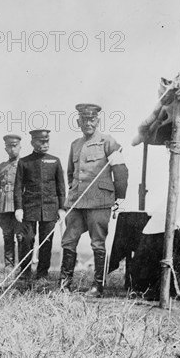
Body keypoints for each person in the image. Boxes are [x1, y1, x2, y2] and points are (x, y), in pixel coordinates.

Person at [59, 104, 128, 297]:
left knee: (97, 243)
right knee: (68, 241)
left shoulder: (108, 141)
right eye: (84, 119)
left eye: (92, 119)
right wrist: (72, 194)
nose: (88, 123)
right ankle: (65, 284)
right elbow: (71, 174)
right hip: (77, 202)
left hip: (99, 201)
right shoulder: (75, 145)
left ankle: (98, 286)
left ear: (97, 121)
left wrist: (119, 197)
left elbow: (121, 170)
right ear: (78, 121)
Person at [14, 130, 66, 282]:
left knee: (46, 241)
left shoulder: (55, 161)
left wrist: (62, 207)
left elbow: (61, 187)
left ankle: (42, 273)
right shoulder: (24, 162)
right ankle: (24, 272)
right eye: (41, 142)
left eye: (47, 142)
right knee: (27, 239)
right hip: (29, 207)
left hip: (50, 208)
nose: (45, 145)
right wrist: (18, 208)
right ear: (33, 143)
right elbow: (18, 187)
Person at [0, 134, 22, 270]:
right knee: (7, 236)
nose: (12, 149)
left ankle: (22, 267)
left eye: (15, 146)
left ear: (20, 147)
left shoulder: (24, 165)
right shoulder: (1, 166)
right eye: (9, 146)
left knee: (21, 237)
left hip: (19, 207)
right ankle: (9, 267)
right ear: (5, 149)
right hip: (3, 206)